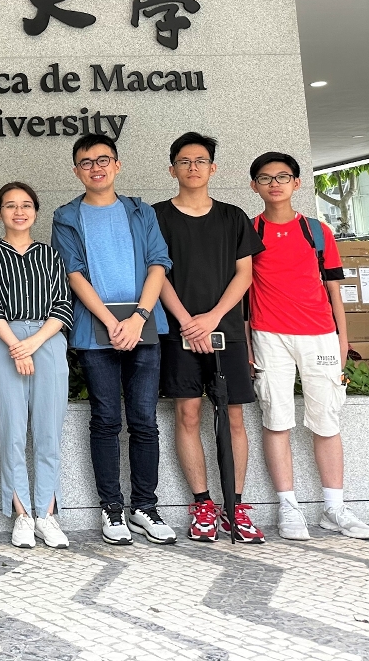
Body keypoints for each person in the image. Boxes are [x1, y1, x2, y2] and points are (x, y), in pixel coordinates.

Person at [51, 134, 176, 545]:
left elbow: (158, 263)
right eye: (86, 162)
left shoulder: (140, 210)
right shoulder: (66, 216)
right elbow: (73, 273)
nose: (96, 168)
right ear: (76, 171)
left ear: (117, 165)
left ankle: (145, 506)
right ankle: (112, 508)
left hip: (144, 327)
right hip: (95, 330)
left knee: (144, 420)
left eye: (103, 160)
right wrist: (110, 321)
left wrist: (139, 317)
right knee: (105, 419)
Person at [248, 151, 369, 540]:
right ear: (254, 186)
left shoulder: (317, 231)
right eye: (265, 178)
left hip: (320, 335)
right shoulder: (250, 231)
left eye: (283, 177)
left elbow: (334, 289)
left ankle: (334, 508)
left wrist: (343, 339)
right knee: (276, 419)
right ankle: (289, 506)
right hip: (269, 335)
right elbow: (245, 291)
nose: (275, 184)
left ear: (297, 183)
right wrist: (248, 342)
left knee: (327, 420)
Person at [154, 133, 265, 542]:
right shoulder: (157, 216)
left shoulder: (233, 217)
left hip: (227, 332)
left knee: (233, 416)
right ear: (172, 169)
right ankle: (202, 504)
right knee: (187, 414)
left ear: (213, 168)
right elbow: (156, 274)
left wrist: (214, 318)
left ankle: (235, 507)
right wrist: (188, 322)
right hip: (178, 331)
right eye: (184, 161)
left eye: (200, 160)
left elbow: (245, 274)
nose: (193, 167)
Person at [0, 182, 74, 550]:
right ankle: (22, 515)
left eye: (27, 205)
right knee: (12, 431)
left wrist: (32, 344)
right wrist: (17, 347)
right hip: (5, 341)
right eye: (11, 205)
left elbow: (62, 305)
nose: (19, 212)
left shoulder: (51, 255)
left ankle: (46, 514)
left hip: (48, 341)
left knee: (49, 432)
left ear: (35, 211)